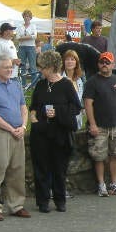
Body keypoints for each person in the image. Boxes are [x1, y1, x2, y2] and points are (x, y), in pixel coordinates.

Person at [29, 51, 81, 213]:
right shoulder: (40, 84)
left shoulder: (66, 85)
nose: (40, 70)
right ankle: (42, 200)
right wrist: (33, 116)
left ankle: (60, 199)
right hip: (41, 132)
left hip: (60, 133)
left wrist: (57, 111)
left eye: (43, 67)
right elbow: (34, 105)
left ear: (52, 68)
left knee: (59, 168)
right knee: (41, 168)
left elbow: (76, 107)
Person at [0, 54, 30, 221]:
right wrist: (11, 129)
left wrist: (23, 126)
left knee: (17, 169)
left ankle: (17, 205)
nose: (10, 70)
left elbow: (24, 108)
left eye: (11, 67)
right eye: (6, 67)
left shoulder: (16, 85)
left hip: (17, 132)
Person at [84, 51, 116, 197]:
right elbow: (88, 104)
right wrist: (92, 124)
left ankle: (114, 184)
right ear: (98, 64)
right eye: (102, 62)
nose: (104, 64)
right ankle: (101, 184)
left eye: (107, 62)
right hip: (99, 126)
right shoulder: (92, 81)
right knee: (99, 156)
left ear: (112, 64)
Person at [61, 49, 85, 129]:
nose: (69, 62)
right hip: (64, 120)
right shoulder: (60, 79)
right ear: (63, 62)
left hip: (77, 120)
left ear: (76, 63)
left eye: (72, 59)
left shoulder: (79, 80)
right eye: (67, 59)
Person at [15, 10, 38, 88]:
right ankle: (23, 84)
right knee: (22, 66)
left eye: (28, 16)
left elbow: (35, 36)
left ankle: (33, 84)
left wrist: (23, 37)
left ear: (30, 17)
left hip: (31, 47)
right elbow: (17, 37)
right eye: (25, 16)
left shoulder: (33, 26)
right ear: (23, 17)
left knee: (32, 66)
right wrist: (29, 36)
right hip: (22, 47)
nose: (26, 17)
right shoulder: (20, 26)